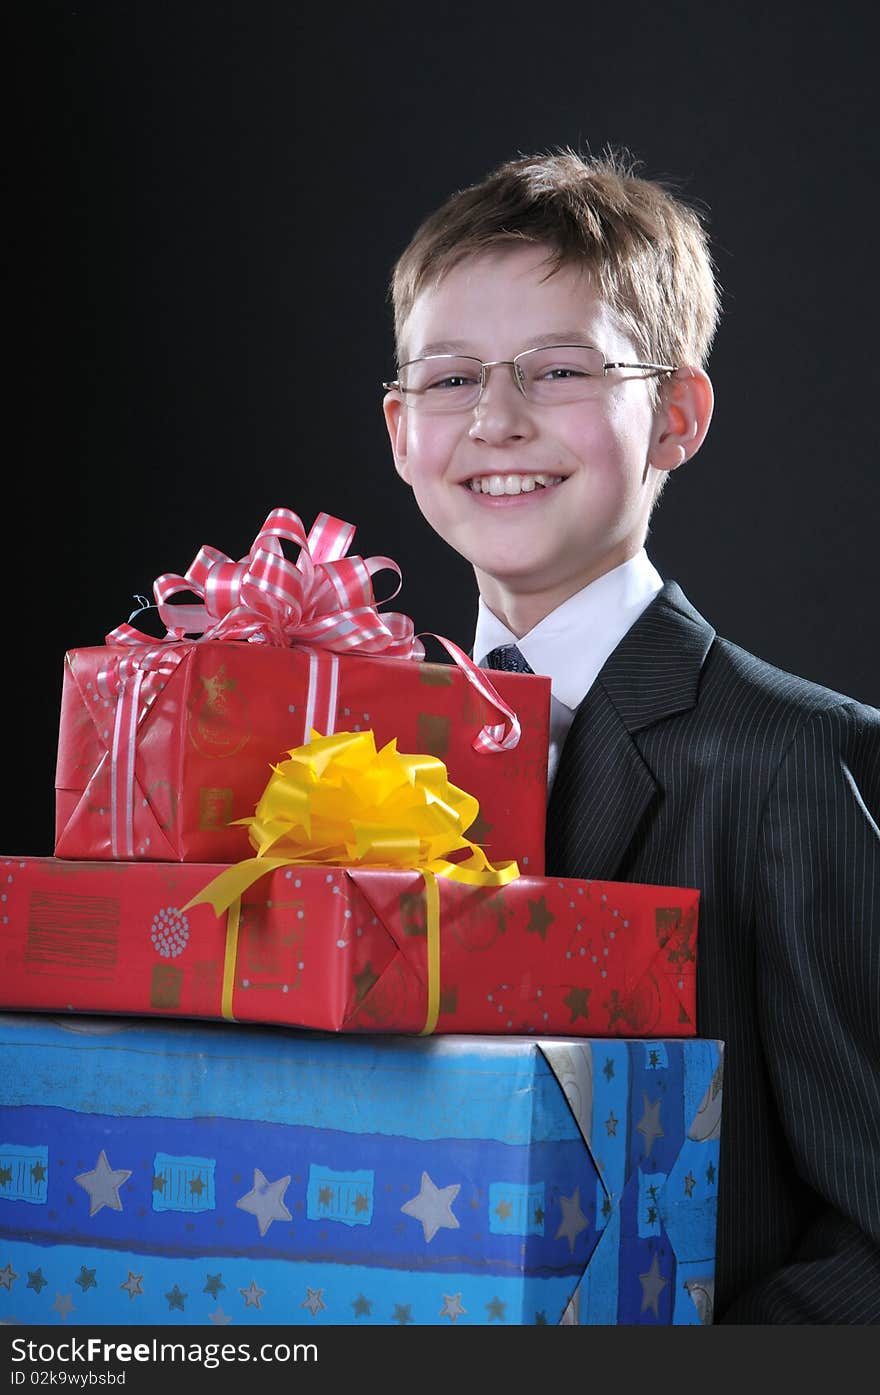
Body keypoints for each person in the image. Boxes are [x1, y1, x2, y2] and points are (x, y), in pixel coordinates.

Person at [380, 147, 880, 1324]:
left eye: (559, 370)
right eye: (448, 381)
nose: (495, 420)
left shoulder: (799, 765)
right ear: (402, 431)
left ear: (675, 416)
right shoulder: (347, 754)